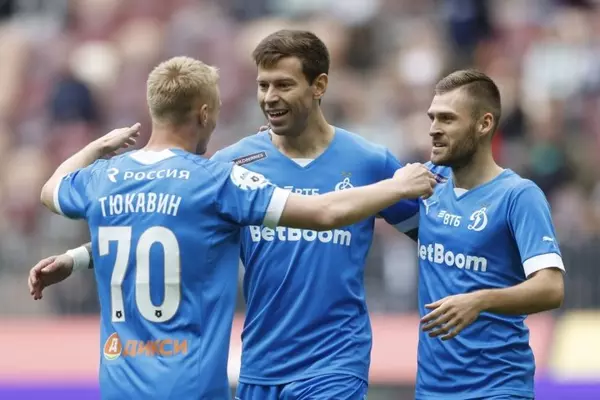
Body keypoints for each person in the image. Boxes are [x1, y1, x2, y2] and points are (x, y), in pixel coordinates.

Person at [29, 30, 427, 399]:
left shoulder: (370, 162)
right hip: (260, 363)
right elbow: (174, 228)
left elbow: (436, 234)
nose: (270, 97)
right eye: (263, 85)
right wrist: (78, 257)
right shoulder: (229, 168)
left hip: (335, 362)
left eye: (284, 85)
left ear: (319, 85)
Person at [414, 69, 565, 399]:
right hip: (431, 389)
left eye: (447, 119)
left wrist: (480, 300)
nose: (434, 128)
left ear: (484, 124)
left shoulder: (518, 196)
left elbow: (551, 287)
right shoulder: (426, 184)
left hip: (497, 386)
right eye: (432, 118)